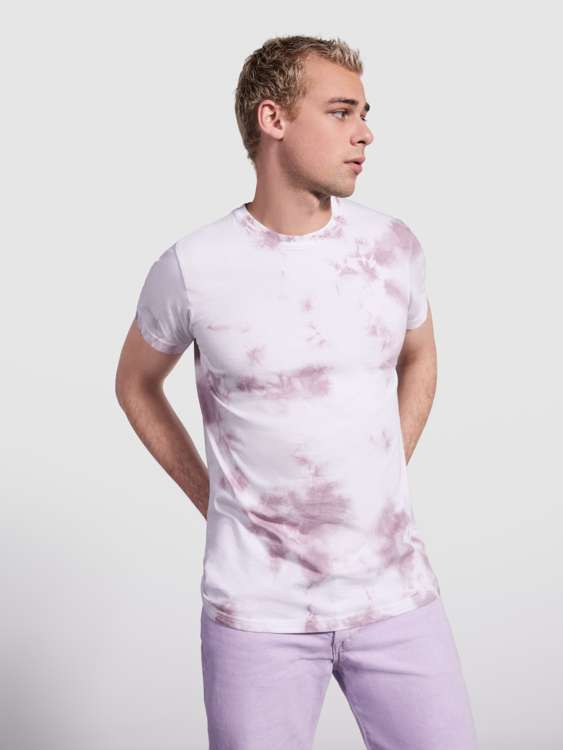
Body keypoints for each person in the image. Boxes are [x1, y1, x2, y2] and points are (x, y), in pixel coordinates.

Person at [115, 34, 479, 750]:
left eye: (364, 113)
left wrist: (383, 469)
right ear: (273, 119)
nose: (365, 133)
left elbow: (421, 356)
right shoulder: (193, 267)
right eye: (341, 112)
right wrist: (214, 498)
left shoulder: (393, 247)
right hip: (258, 615)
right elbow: (135, 384)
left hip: (396, 599)